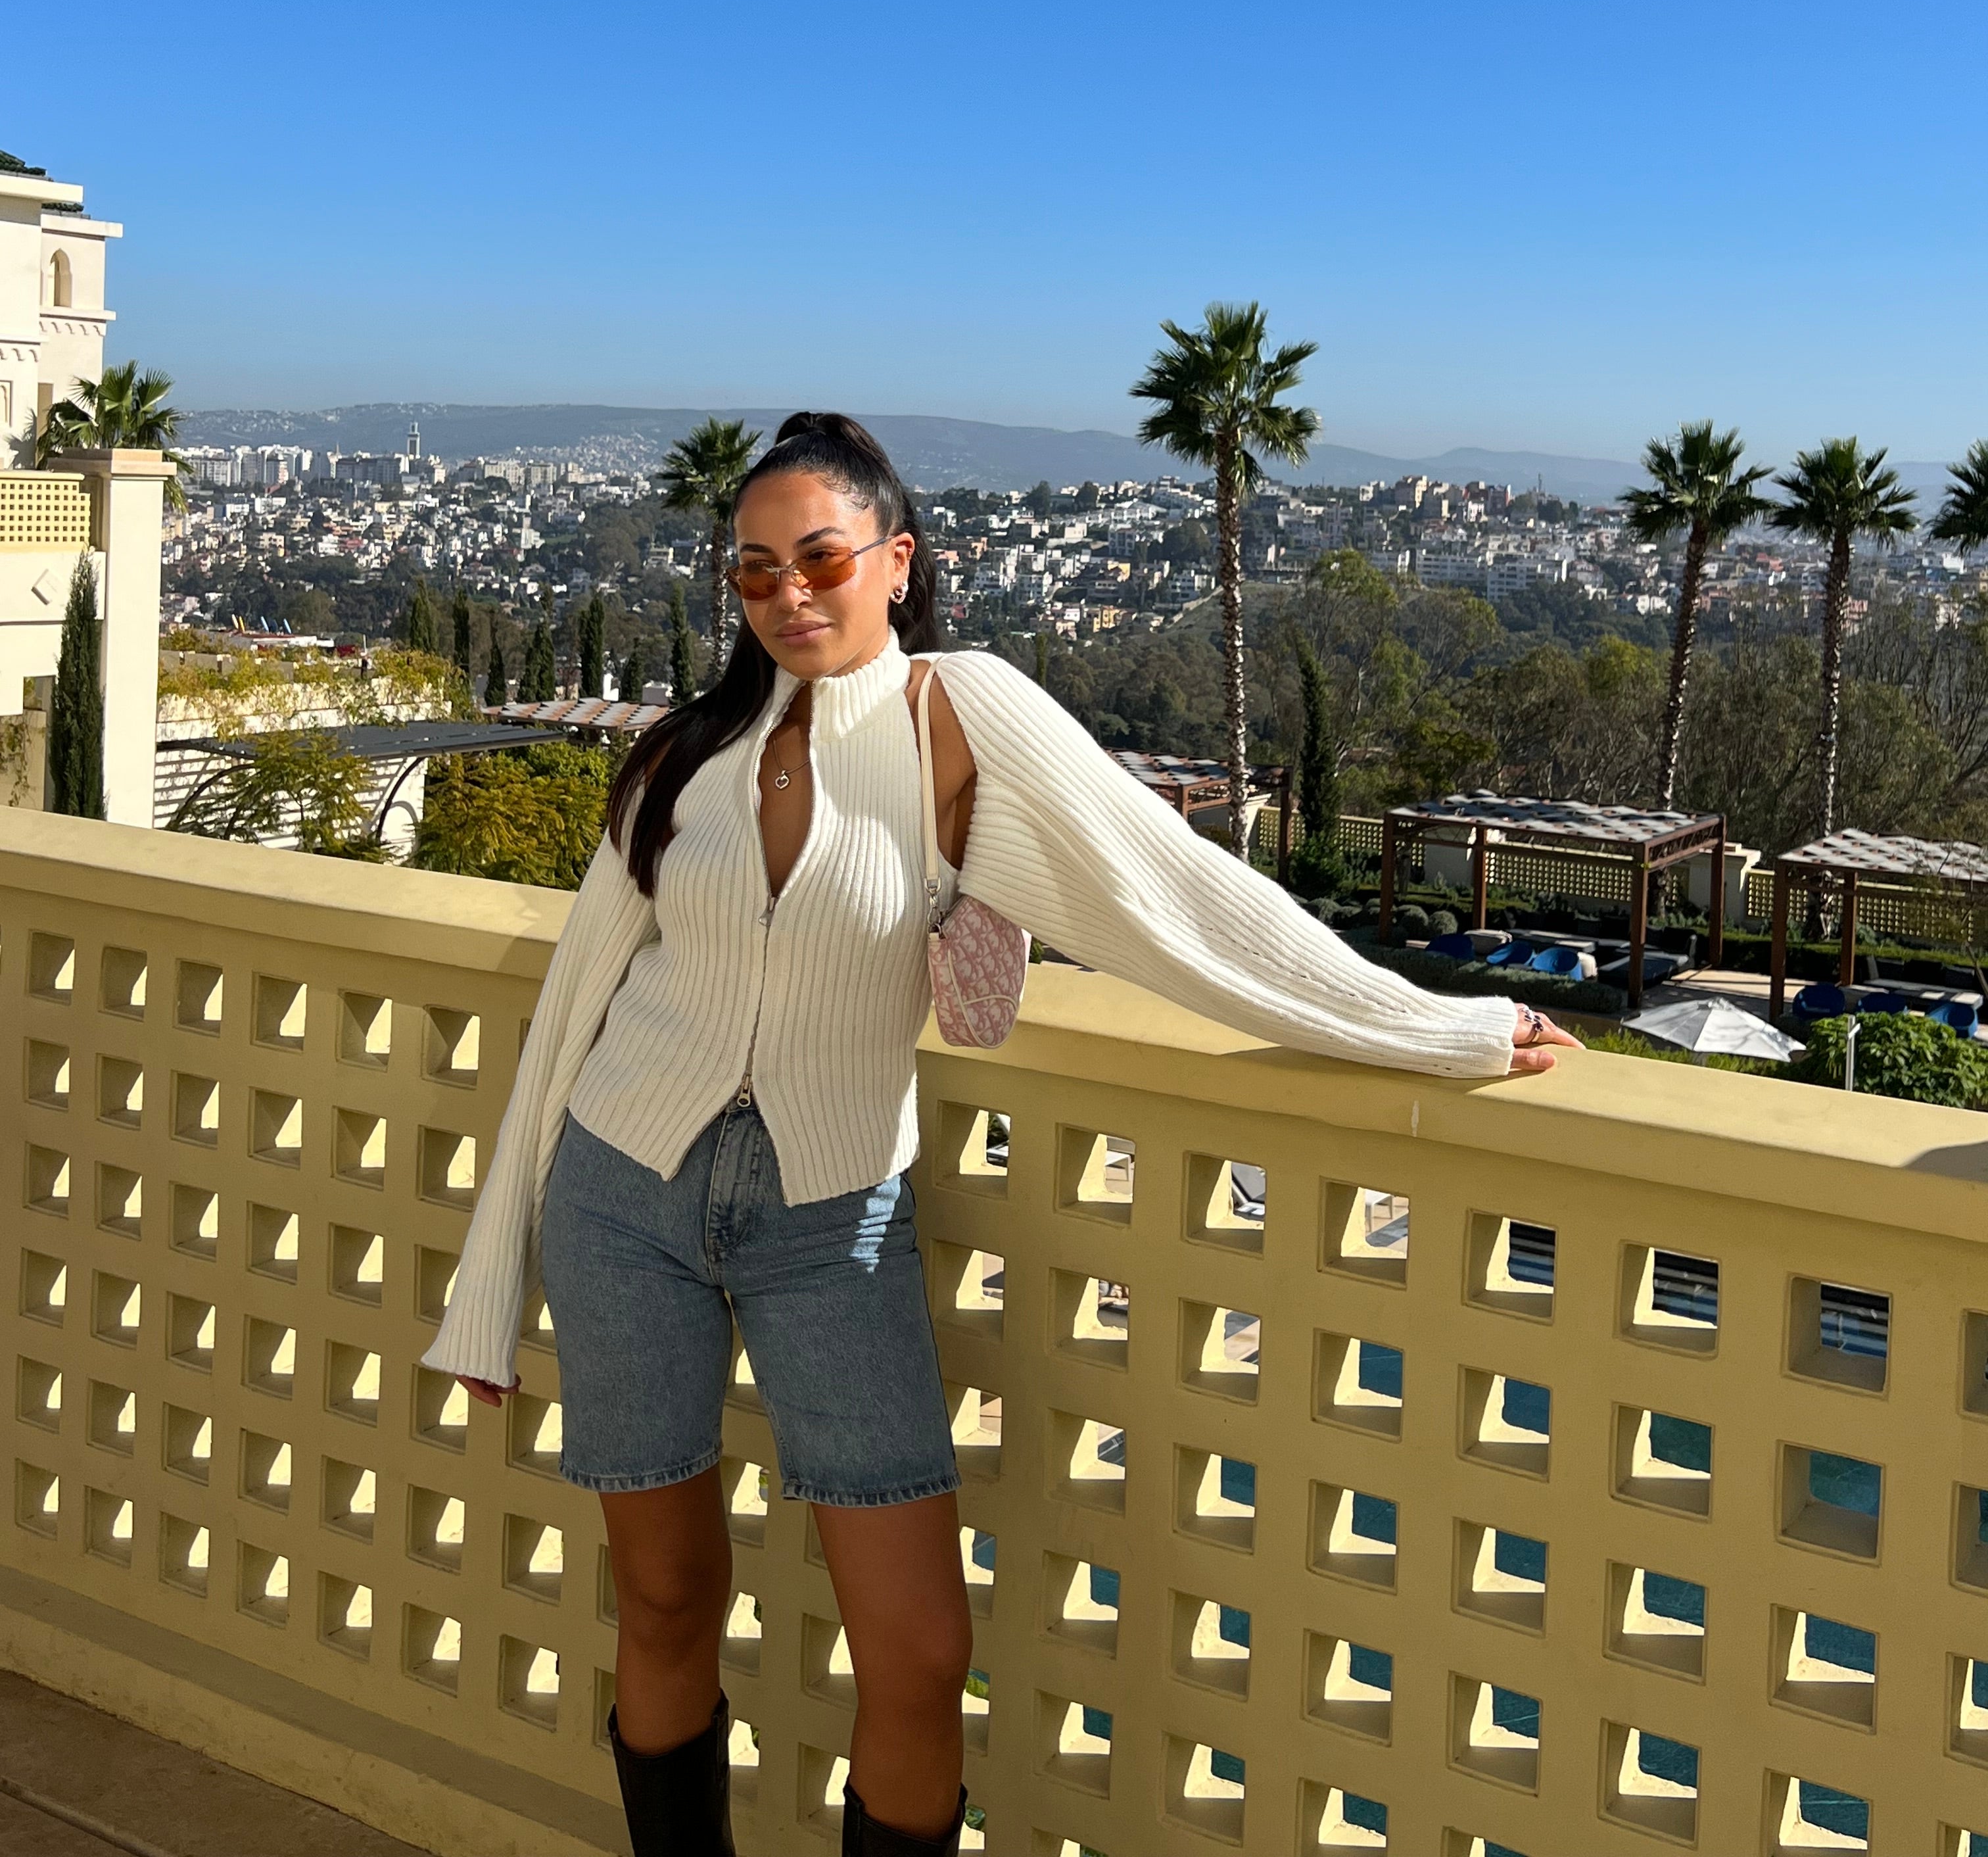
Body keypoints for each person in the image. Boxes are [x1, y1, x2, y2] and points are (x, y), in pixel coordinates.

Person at [421, 413, 1576, 1857]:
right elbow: (575, 1001)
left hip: (828, 1219)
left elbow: (1187, 902)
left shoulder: (956, 714)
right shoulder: (686, 756)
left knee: (916, 1652)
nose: (789, 595)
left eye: (822, 559)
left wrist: (1439, 1027)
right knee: (662, 1601)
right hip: (619, 1197)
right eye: (754, 570)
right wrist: (487, 1293)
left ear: (894, 563)